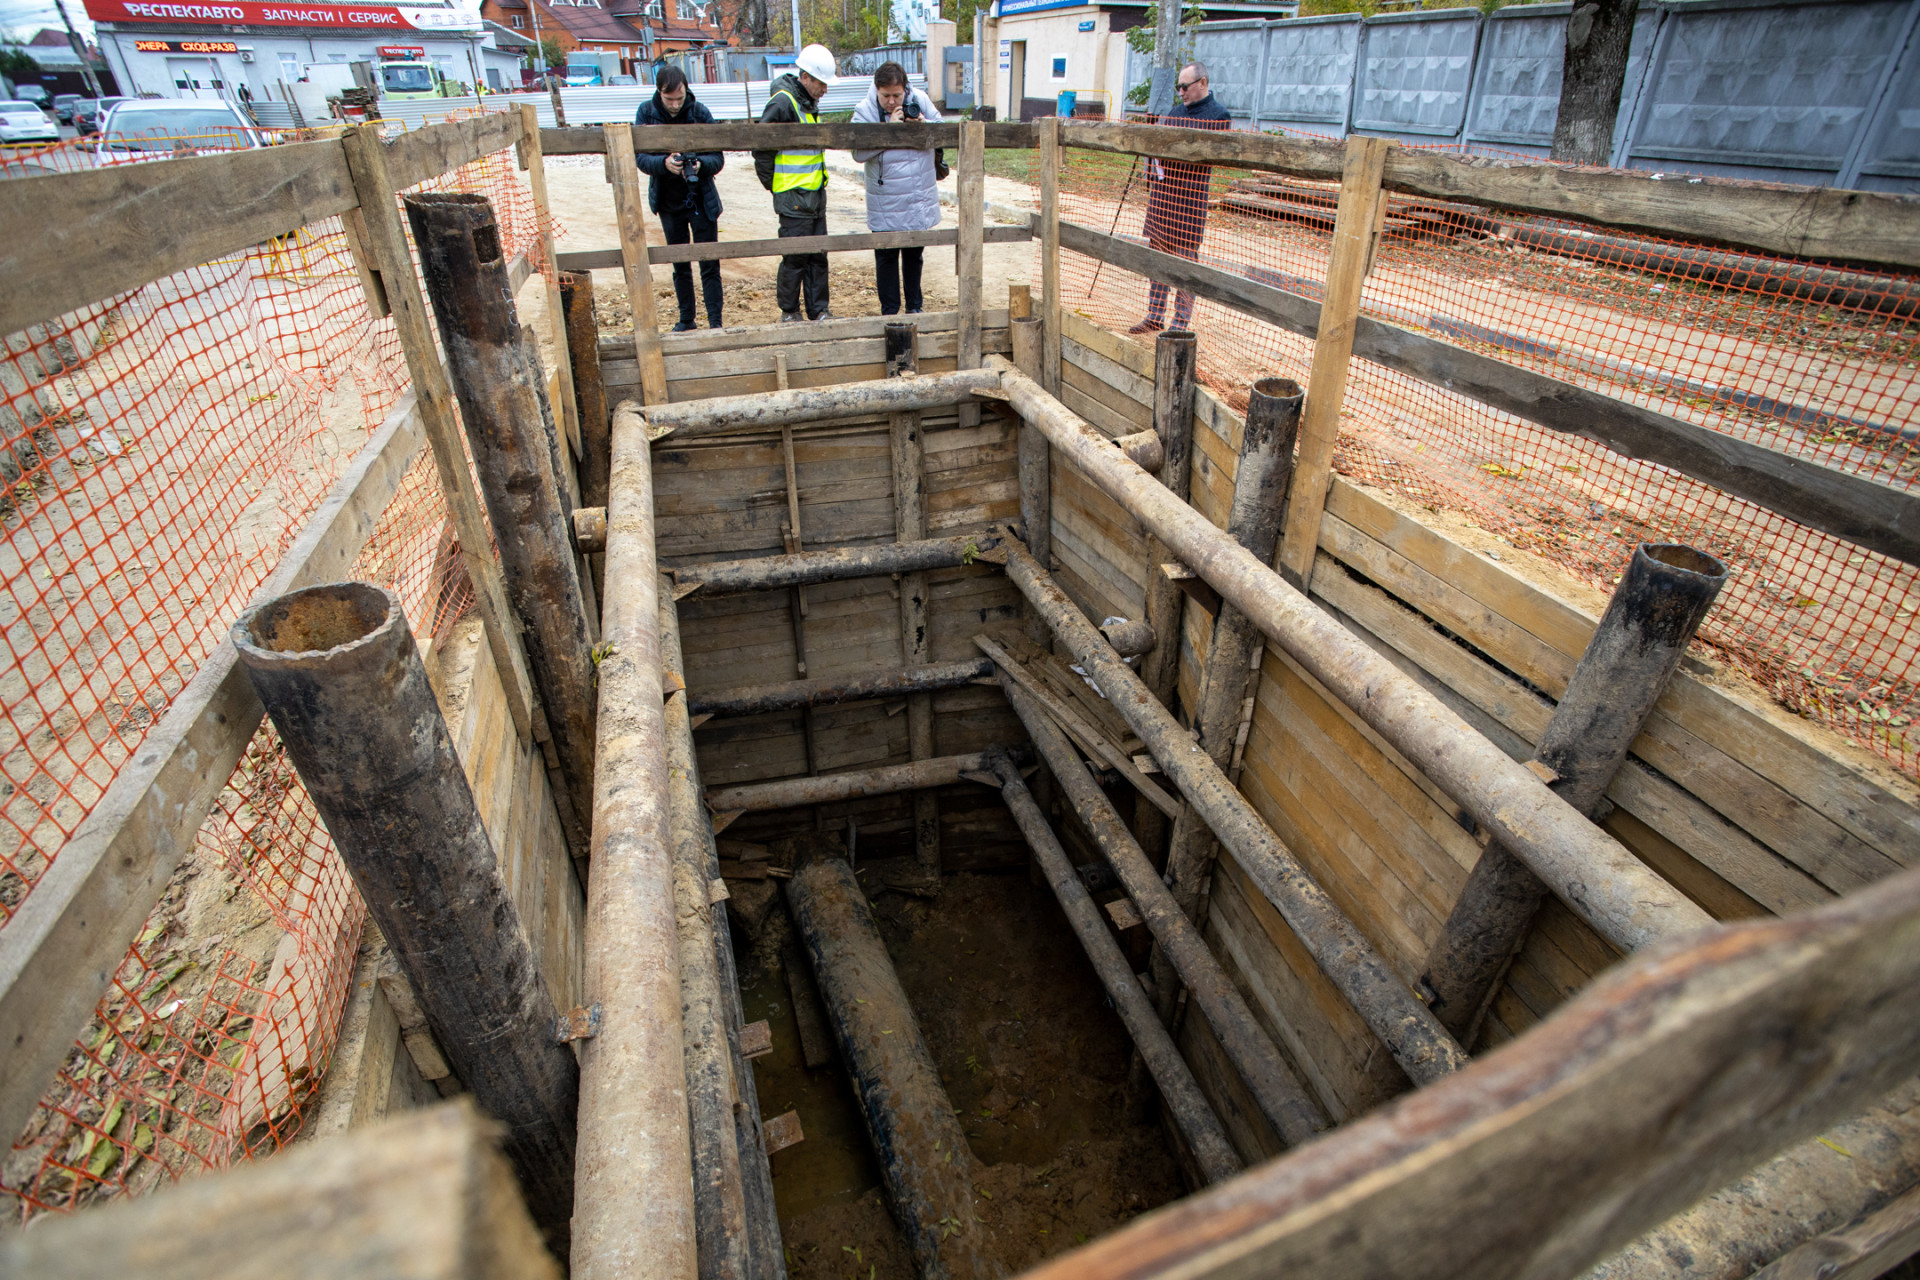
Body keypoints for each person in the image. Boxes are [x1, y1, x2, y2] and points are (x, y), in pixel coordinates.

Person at [1130, 61, 1231, 334]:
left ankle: (1179, 323)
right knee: (1158, 258)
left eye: (1185, 86)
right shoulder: (1175, 111)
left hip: (1189, 202)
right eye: (1178, 87)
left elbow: (1204, 158)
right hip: (1163, 198)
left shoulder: (1219, 116)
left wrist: (1171, 155)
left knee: (1186, 264)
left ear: (1203, 83)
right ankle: (1154, 315)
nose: (1181, 92)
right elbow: (1160, 148)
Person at [635, 67, 725, 331]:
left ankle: (715, 322)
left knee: (709, 262)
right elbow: (640, 157)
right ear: (659, 92)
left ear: (686, 89)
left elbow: (717, 157)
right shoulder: (646, 113)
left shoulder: (700, 112)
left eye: (679, 98)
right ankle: (687, 319)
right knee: (680, 264)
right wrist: (664, 163)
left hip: (701, 199)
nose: (675, 105)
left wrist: (699, 165)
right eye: (669, 99)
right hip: (668, 203)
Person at [851, 61, 943, 316]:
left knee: (914, 254)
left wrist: (924, 126)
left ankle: (915, 307)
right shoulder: (864, 110)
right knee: (887, 257)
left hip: (916, 194)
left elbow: (944, 131)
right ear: (876, 90)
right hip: (885, 199)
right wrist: (889, 131)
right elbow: (858, 151)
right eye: (886, 96)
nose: (892, 102)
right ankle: (890, 312)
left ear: (905, 90)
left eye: (897, 95)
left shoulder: (920, 101)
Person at [754, 44, 837, 323]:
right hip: (793, 196)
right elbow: (761, 146)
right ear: (806, 77)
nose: (825, 90)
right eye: (821, 83)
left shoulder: (807, 102)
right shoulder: (783, 102)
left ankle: (818, 310)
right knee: (795, 258)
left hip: (813, 194)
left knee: (817, 255)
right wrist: (775, 185)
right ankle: (790, 311)